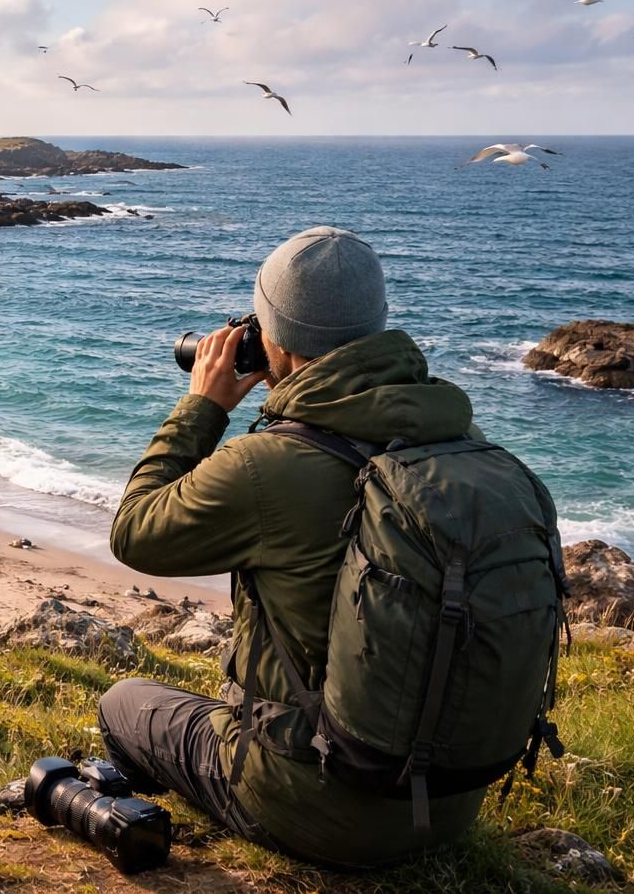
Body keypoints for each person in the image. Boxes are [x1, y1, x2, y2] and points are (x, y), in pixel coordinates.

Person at [99, 225, 487, 868]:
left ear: (272, 337)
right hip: (447, 803)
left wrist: (202, 407)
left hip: (312, 808)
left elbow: (136, 533)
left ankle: (134, 825)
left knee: (125, 703)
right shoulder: (458, 436)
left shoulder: (269, 464)